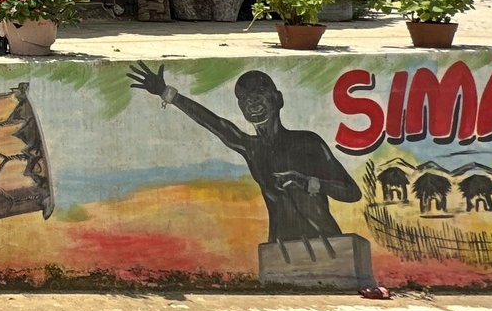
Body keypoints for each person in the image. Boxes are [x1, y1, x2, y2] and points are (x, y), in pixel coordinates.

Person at [126, 62, 360, 243]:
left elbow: (352, 192)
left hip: (328, 244)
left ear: (277, 99)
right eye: (244, 98)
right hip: (279, 250)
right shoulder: (252, 149)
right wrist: (169, 94)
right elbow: (217, 125)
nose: (252, 101)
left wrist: (310, 183)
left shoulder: (308, 142)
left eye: (259, 92)